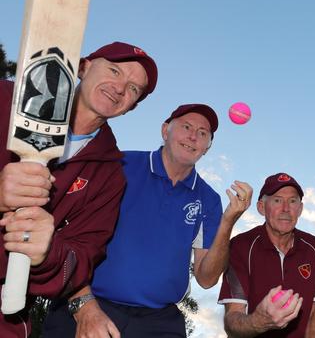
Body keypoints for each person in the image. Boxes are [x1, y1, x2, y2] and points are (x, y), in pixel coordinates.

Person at [40, 104, 251, 337]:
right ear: (165, 130)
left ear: (207, 147)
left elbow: (207, 278)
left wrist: (228, 222)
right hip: (91, 302)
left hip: (159, 320)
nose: (193, 136)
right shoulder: (121, 166)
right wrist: (83, 304)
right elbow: (66, 233)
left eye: (203, 133)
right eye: (186, 127)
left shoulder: (208, 199)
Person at [0, 41, 157, 337]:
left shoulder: (110, 174)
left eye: (134, 89)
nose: (120, 88)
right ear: (84, 66)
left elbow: (81, 258)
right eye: (114, 70)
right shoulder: (7, 100)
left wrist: (48, 252)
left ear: (131, 108)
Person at [219, 172, 315, 337]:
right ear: (261, 207)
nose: (286, 209)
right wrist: (258, 321)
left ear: (300, 209)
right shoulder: (240, 246)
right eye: (277, 200)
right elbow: (232, 319)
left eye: (292, 201)